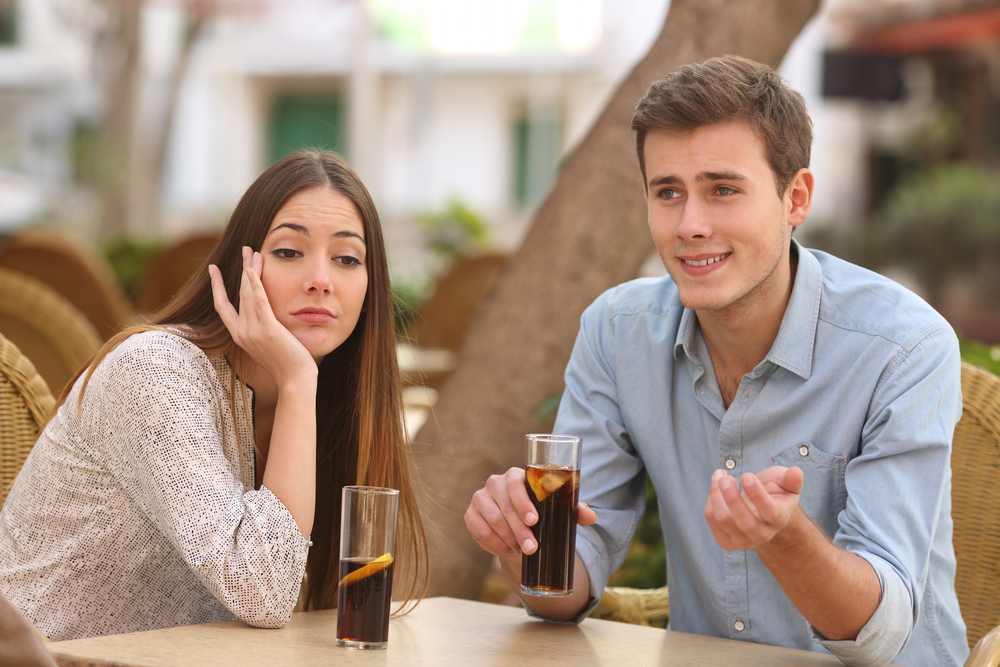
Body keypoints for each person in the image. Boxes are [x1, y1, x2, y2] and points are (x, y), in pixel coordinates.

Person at [465, 55, 968, 667]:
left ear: (796, 198)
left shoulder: (905, 348)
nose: (690, 225)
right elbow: (565, 583)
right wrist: (522, 547)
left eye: (723, 190)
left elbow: (880, 635)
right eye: (668, 192)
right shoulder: (618, 333)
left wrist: (782, 538)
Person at [0, 150, 427, 641]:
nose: (320, 281)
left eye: (347, 258)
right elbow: (263, 593)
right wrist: (296, 380)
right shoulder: (157, 370)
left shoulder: (333, 406)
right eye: (289, 252)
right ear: (242, 265)